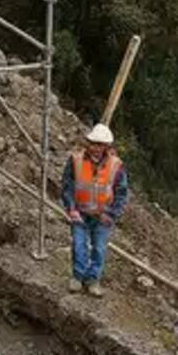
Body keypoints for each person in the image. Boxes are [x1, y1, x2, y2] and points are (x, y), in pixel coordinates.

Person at [61, 123, 129, 297]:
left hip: (102, 216)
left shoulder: (116, 165)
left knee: (99, 249)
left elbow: (121, 193)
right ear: (88, 143)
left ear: (107, 146)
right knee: (78, 245)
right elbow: (67, 186)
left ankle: (92, 280)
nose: (95, 148)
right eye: (93, 143)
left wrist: (111, 214)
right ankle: (77, 277)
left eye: (100, 144)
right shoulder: (75, 160)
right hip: (80, 212)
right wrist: (71, 208)